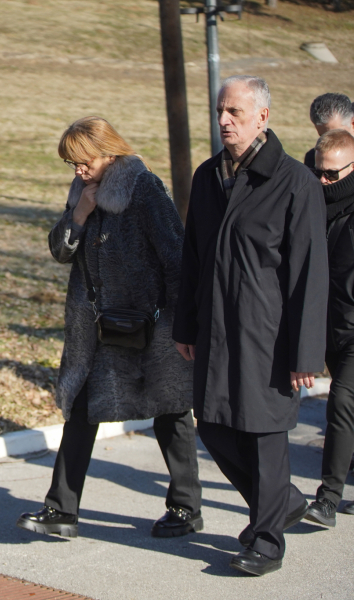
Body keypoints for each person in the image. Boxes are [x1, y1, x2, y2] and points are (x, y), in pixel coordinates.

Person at [15, 117, 203, 541]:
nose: (79, 171)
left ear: (109, 152)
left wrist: (182, 324)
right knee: (83, 408)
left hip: (154, 324)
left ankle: (186, 507)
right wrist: (79, 214)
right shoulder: (82, 191)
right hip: (99, 327)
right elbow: (60, 251)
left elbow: (176, 256)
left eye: (84, 162)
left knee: (171, 410)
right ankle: (61, 509)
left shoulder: (144, 188)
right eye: (73, 164)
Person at [173, 75, 328, 576]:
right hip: (215, 328)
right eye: (221, 110)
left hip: (269, 334)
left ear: (262, 117)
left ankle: (266, 541)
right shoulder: (207, 176)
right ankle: (283, 502)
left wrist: (307, 353)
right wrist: (186, 325)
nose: (223, 120)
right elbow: (192, 257)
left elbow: (309, 273)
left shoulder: (294, 181)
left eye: (235, 112)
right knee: (214, 427)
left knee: (264, 435)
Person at [303, 129, 354, 527]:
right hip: (327, 328)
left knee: (341, 404)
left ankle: (328, 500)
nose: (323, 181)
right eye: (318, 172)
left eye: (331, 175)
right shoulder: (311, 204)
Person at [304, 93, 354, 168]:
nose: (330, 141)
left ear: (353, 123)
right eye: (323, 136)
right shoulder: (313, 159)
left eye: (337, 136)